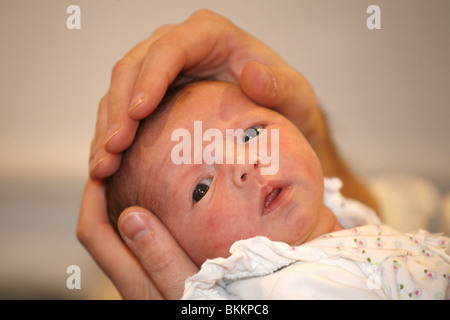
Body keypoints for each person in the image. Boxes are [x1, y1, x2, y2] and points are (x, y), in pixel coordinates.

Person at [78, 10, 379, 299]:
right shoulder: (275, 291)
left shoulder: (349, 214)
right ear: (180, 259)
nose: (243, 165)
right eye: (201, 188)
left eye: (251, 134)